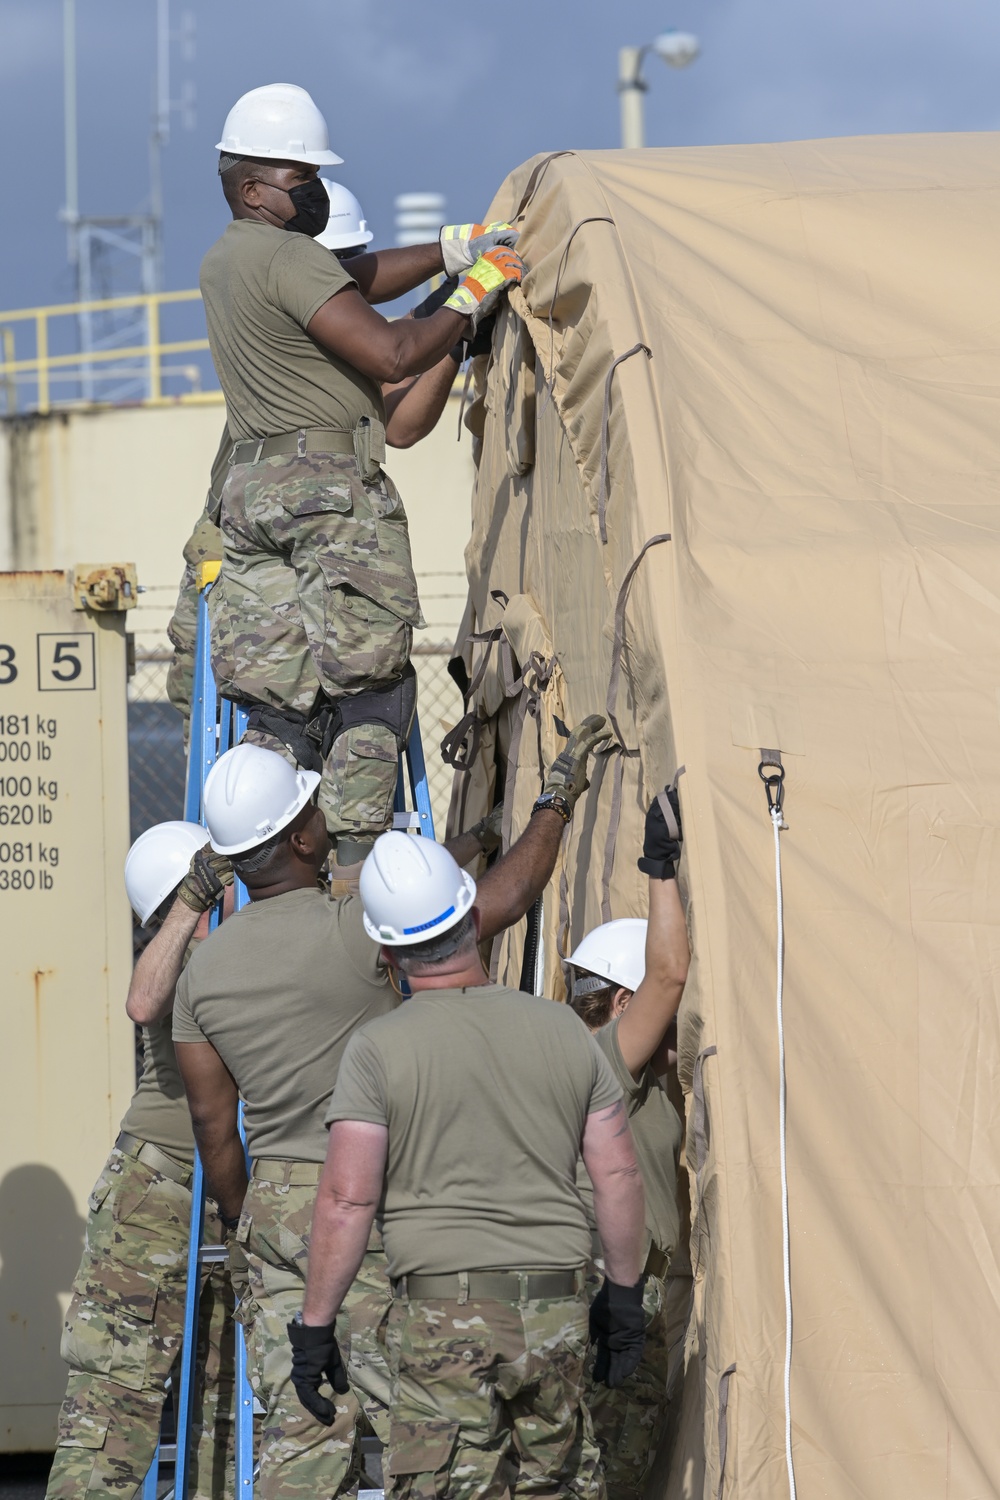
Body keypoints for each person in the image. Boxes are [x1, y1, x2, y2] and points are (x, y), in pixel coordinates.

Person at [170, 718, 607, 1500]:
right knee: (424, 1428)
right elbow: (495, 902)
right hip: (371, 1205)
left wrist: (251, 1221)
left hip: (275, 1211)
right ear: (302, 842)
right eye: (313, 812)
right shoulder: (352, 932)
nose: (322, 819)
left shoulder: (200, 974)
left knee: (302, 1432)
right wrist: (555, 803)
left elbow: (213, 1126)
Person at [200, 83, 524, 872]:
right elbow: (391, 356)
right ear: (253, 188)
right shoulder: (283, 256)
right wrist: (476, 292)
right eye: (299, 176)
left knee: (279, 708)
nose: (310, 187)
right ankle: (355, 876)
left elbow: (358, 275)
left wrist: (453, 251)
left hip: (251, 497)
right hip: (327, 496)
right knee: (369, 693)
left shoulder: (230, 259)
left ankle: (268, 866)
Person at [291, 830, 648, 1500]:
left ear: (389, 951)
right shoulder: (565, 1030)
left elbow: (346, 1200)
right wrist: (623, 1299)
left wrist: (316, 1325)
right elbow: (619, 1176)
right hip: (556, 1309)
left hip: (442, 1316)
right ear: (475, 919)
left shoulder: (376, 1050)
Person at [166, 177, 468, 731]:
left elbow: (397, 422)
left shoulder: (295, 306)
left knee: (293, 723)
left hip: (262, 538)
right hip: (250, 548)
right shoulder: (295, 304)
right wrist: (461, 308)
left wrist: (453, 331)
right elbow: (397, 374)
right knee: (305, 713)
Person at [45, 823, 236, 1500]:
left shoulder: (249, 942)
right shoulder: (176, 952)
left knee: (222, 1406)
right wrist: (191, 904)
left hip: (230, 1197)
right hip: (157, 1194)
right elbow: (142, 1001)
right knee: (114, 1405)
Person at [566, 786, 690, 1500]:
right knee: (613, 1475)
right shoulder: (609, 1058)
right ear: (621, 1003)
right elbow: (667, 974)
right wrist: (660, 864)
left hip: (573, 1288)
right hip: (617, 1293)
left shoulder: (556, 1053)